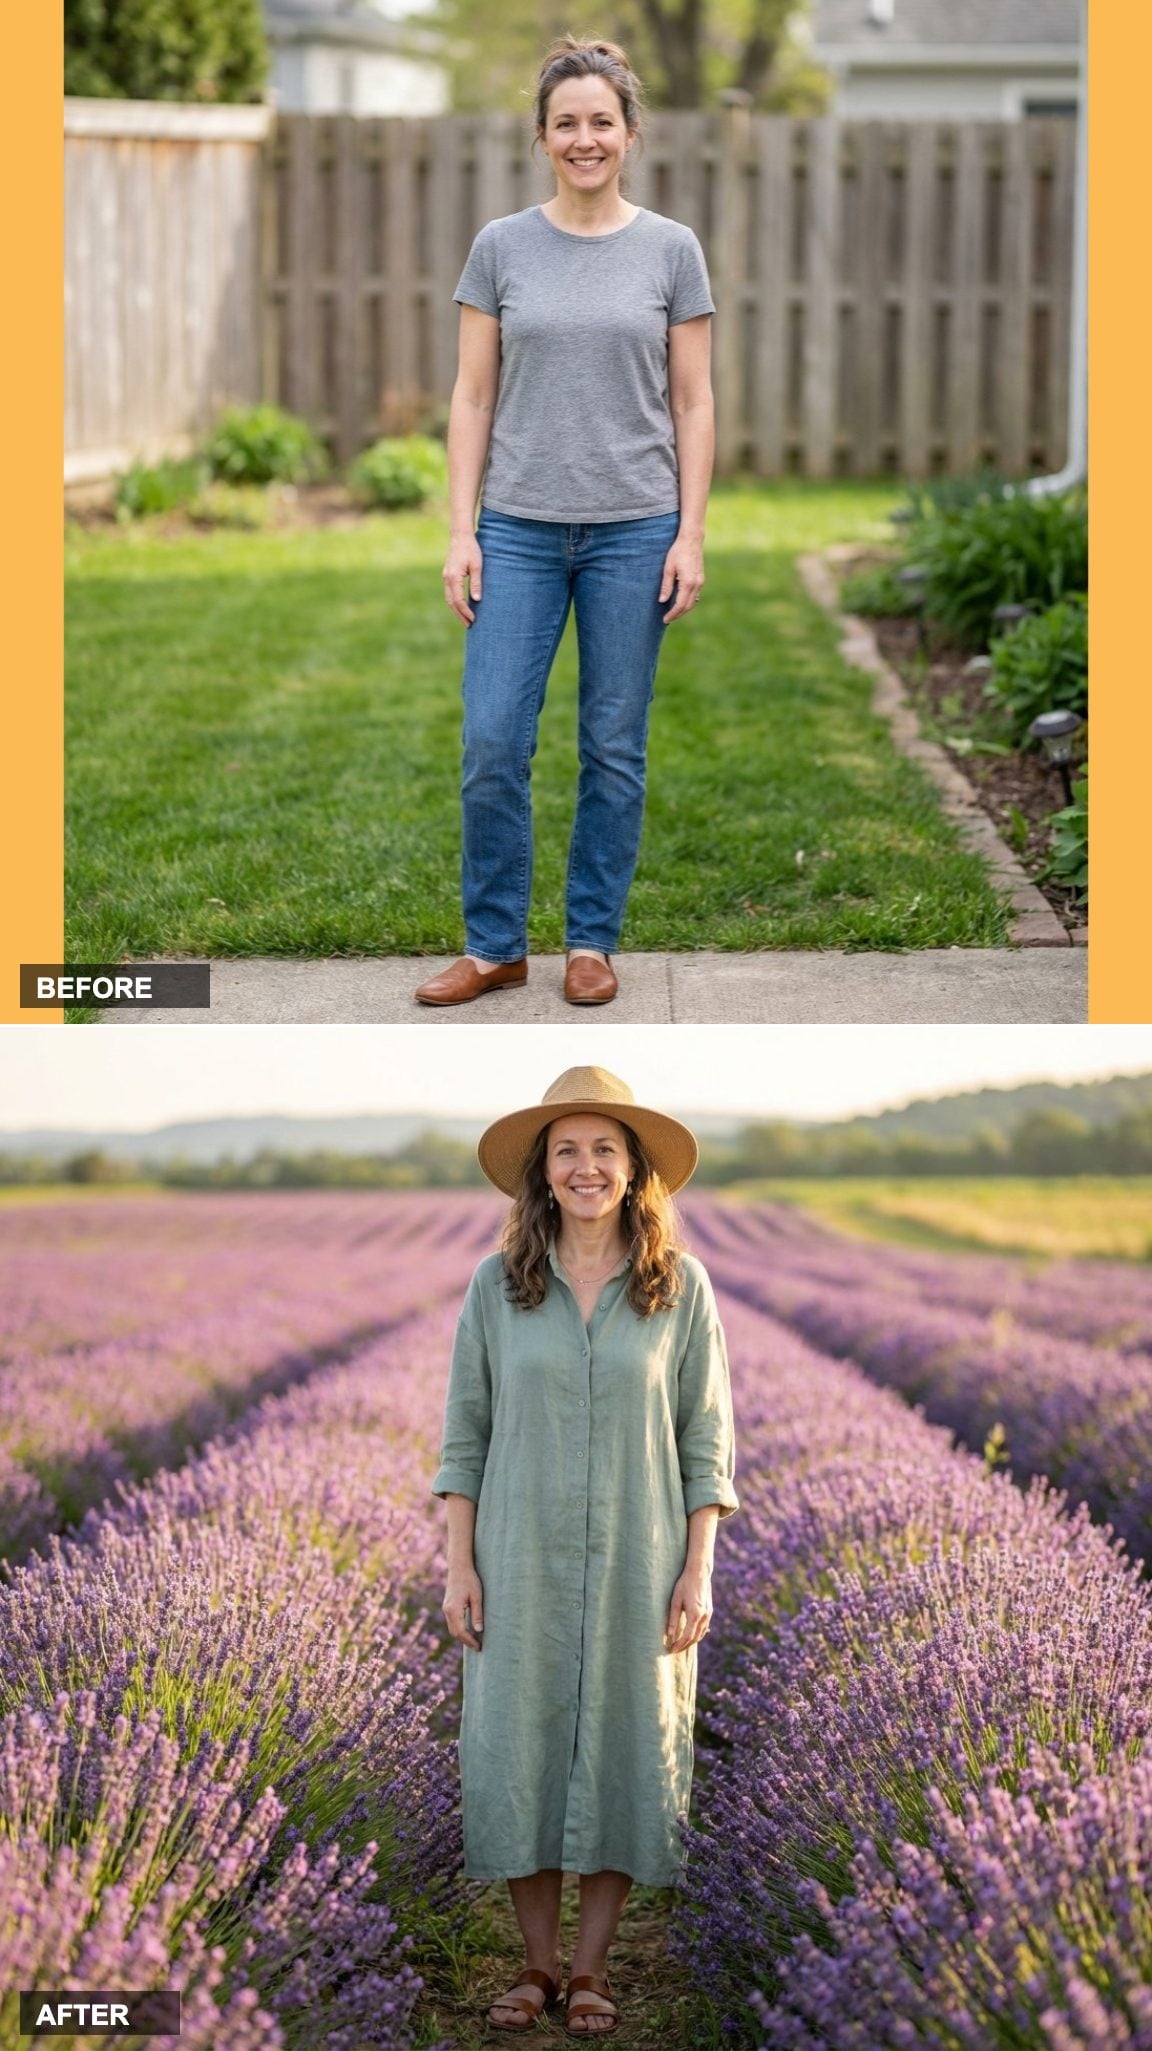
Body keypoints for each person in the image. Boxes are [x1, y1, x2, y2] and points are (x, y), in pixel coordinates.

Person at [431, 1065, 739, 2035]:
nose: (586, 1165)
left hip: (641, 1560)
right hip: (517, 1555)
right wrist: (458, 1562)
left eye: (605, 1147)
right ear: (542, 1170)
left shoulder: (681, 1287)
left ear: (635, 1166)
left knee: (623, 1748)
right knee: (518, 1742)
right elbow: (462, 1435)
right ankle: (533, 1965)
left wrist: (700, 1565)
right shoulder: (496, 1284)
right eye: (566, 1148)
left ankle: (594, 1968)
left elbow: (707, 1440)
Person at [414, 36, 715, 1012]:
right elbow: (469, 396)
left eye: (601, 121)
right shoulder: (502, 245)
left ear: (630, 132)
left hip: (635, 529)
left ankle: (591, 941)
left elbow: (694, 403)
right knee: (493, 736)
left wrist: (690, 533)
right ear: (542, 137)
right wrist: (461, 531)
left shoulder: (672, 250)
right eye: (566, 123)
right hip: (520, 532)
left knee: (613, 743)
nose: (585, 138)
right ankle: (494, 944)